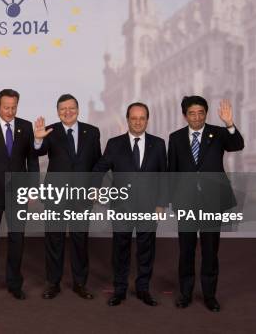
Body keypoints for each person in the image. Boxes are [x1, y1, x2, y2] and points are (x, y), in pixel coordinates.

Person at [168, 96, 244, 312]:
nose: (197, 117)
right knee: (186, 251)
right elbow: (171, 170)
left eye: (201, 112)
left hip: (212, 201)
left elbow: (237, 145)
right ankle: (185, 293)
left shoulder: (218, 133)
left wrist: (229, 123)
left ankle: (210, 296)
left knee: (210, 251)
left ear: (206, 113)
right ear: (185, 115)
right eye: (192, 113)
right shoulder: (175, 138)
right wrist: (171, 201)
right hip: (186, 203)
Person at [93, 102, 166, 307]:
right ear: (127, 120)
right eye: (134, 118)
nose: (138, 122)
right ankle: (120, 290)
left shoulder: (158, 144)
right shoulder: (115, 144)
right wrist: (95, 187)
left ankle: (143, 289)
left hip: (149, 208)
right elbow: (100, 168)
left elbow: (164, 176)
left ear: (147, 120)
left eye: (142, 118)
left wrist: (160, 204)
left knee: (146, 249)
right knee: (120, 250)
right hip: (121, 207)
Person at [33, 93, 101, 300]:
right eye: (63, 109)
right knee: (54, 239)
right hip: (56, 195)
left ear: (78, 110)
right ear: (58, 112)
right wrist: (38, 139)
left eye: (71, 108)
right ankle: (53, 283)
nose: (67, 112)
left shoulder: (92, 131)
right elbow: (39, 152)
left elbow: (97, 163)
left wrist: (96, 187)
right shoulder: (50, 131)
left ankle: (80, 283)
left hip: (82, 195)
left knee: (80, 239)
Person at [0, 89, 39, 300]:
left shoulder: (26, 126)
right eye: (6, 107)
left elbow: (32, 160)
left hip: (18, 193)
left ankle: (14, 283)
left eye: (14, 107)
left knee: (17, 239)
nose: (10, 111)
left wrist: (33, 187)